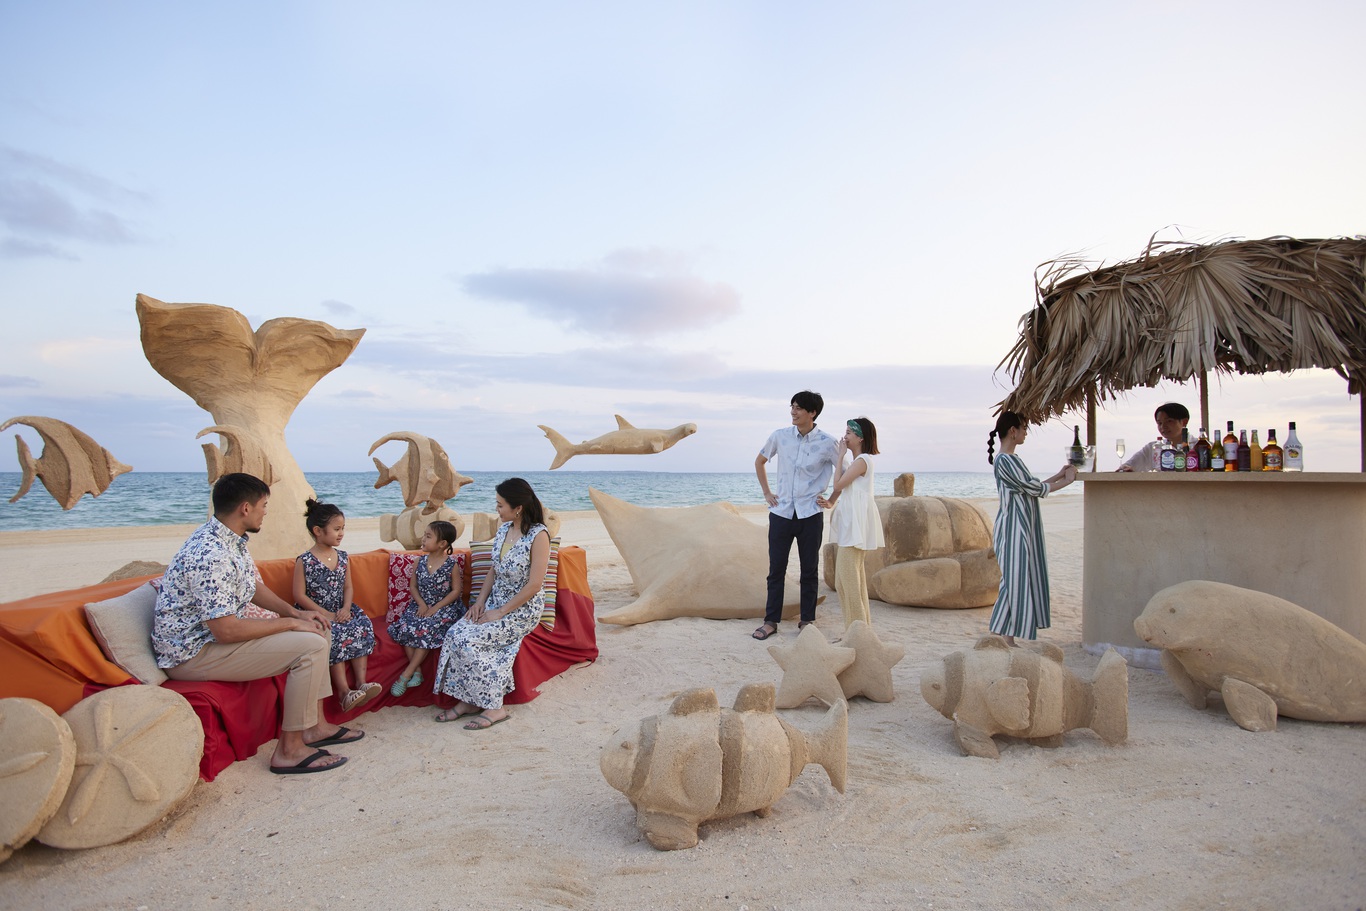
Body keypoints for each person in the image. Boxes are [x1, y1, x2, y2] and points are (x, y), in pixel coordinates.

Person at [151, 473, 359, 775]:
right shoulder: (210, 554)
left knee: (317, 630)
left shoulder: (231, 541)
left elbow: (252, 587)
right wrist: (288, 625)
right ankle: (289, 751)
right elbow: (226, 631)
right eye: (264, 505)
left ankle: (314, 728)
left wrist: (296, 614)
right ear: (245, 509)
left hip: (212, 642)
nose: (266, 511)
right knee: (310, 647)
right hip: (193, 655)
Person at [432, 478, 549, 730]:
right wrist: (479, 603)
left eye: (500, 504)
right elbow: (493, 571)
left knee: (469, 639)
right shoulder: (503, 529)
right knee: (455, 633)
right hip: (495, 601)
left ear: (517, 507)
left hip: (521, 610)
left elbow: (534, 585)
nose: (496, 509)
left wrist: (500, 612)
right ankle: (469, 701)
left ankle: (495, 707)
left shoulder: (539, 536)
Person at [752, 390, 839, 640]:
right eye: (792, 406)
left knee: (809, 570)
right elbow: (759, 462)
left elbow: (843, 470)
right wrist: (768, 493)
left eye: (799, 407)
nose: (793, 411)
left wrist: (832, 499)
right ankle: (771, 622)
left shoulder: (827, 441)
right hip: (781, 513)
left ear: (812, 413)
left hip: (810, 513)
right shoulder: (780, 436)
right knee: (776, 569)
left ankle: (807, 621)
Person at [986, 412, 1077, 646]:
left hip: (1019, 524)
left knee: (1017, 578)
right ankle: (1002, 635)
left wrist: (1059, 474)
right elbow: (1033, 488)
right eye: (1024, 428)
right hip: (1014, 526)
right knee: (1013, 579)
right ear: (1013, 431)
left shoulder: (1009, 459)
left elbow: (1030, 485)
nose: (1026, 433)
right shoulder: (1006, 460)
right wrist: (1066, 481)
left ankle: (1006, 637)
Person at [294, 499, 380, 713]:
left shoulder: (342, 557)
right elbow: (298, 594)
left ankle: (361, 683)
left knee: (361, 626)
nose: (341, 533)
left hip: (341, 609)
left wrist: (346, 608)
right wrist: (325, 614)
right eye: (336, 529)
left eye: (343, 529)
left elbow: (348, 587)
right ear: (318, 531)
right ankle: (343, 692)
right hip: (316, 611)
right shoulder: (304, 560)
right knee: (335, 634)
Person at [818, 417, 886, 629]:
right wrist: (830, 501)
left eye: (849, 432)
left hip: (856, 526)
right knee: (850, 581)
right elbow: (843, 487)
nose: (844, 436)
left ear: (860, 437)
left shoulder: (862, 461)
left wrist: (839, 457)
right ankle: (859, 630)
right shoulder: (859, 462)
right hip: (852, 524)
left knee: (848, 582)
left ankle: (856, 632)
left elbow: (838, 481)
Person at [387, 520, 465, 696]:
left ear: (442, 543)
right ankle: (418, 672)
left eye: (428, 536)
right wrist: (422, 604)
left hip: (444, 607)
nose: (423, 539)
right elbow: (413, 586)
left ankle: (406, 674)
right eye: (424, 534)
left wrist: (436, 607)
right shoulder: (419, 561)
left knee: (426, 628)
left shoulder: (450, 564)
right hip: (421, 605)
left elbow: (456, 591)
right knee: (406, 627)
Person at [1117, 402, 1190, 471]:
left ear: (1184, 422)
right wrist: (1125, 468)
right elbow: (1127, 466)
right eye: (1159, 423)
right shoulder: (1153, 447)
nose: (1163, 426)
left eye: (1169, 421)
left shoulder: (1197, 446)